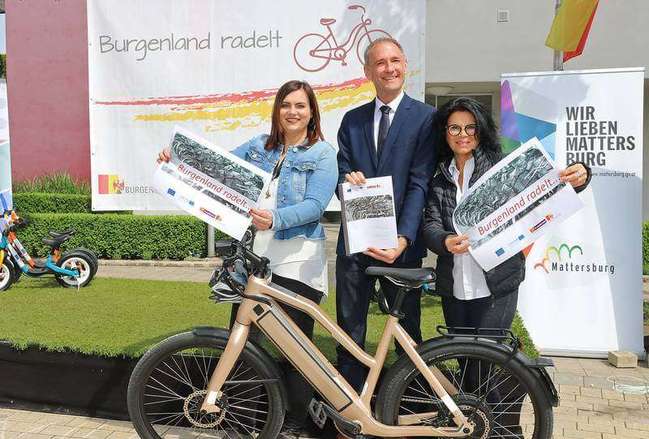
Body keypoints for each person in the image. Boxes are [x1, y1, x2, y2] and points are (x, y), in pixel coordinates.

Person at [158, 80, 338, 438]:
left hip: (298, 261)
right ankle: (243, 424)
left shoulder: (322, 153)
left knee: (296, 350)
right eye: (286, 104)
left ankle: (293, 424)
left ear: (312, 112)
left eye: (301, 106)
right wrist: (174, 159)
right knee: (242, 344)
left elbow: (316, 205)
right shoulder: (259, 146)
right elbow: (217, 167)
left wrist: (277, 218)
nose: (293, 111)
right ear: (277, 109)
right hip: (253, 263)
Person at [423, 96, 591, 333]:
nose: (463, 134)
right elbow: (431, 225)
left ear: (481, 130)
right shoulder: (439, 178)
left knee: (489, 356)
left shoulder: (501, 168)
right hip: (454, 284)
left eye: (471, 127)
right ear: (445, 133)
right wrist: (445, 240)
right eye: (455, 127)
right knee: (461, 355)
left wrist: (580, 176)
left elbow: (544, 190)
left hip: (498, 283)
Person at [335, 37, 436, 392]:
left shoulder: (426, 119)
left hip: (402, 248)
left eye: (395, 60)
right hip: (355, 247)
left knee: (408, 333)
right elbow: (340, 175)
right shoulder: (351, 121)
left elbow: (419, 183)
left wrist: (403, 238)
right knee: (349, 330)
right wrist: (348, 183)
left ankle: (413, 405)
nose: (389, 68)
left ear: (405, 64)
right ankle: (350, 408)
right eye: (380, 62)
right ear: (368, 72)